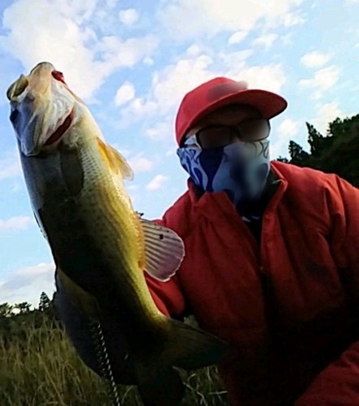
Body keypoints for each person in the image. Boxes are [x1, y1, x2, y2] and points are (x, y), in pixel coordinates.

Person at [55, 77, 359, 405]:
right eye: (215, 136)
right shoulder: (174, 232)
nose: (240, 146)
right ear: (184, 155)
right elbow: (139, 303)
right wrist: (78, 250)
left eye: (252, 128)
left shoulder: (328, 197)